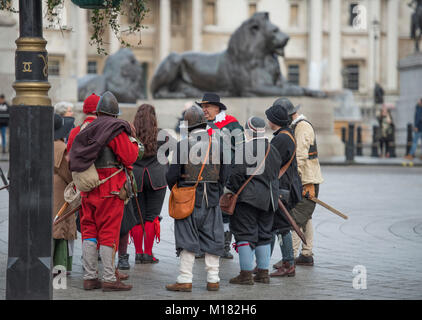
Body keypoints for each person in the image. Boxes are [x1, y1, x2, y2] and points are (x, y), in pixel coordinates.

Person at [69, 91, 140, 292]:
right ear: (115, 115)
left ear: (98, 112)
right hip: (110, 189)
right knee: (109, 232)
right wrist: (134, 142)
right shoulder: (115, 129)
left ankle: (90, 277)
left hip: (88, 188)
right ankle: (109, 278)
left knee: (89, 231)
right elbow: (129, 157)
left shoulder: (85, 128)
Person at [165, 105, 228, 292]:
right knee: (214, 238)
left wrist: (177, 190)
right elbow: (225, 174)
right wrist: (217, 191)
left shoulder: (182, 145)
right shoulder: (218, 144)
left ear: (188, 125)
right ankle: (213, 279)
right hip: (212, 200)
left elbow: (171, 175)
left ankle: (185, 279)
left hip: (187, 198)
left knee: (187, 239)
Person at [225, 117, 281, 285]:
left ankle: (245, 274)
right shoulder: (274, 149)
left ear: (248, 131)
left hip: (248, 200)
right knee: (264, 235)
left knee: (244, 234)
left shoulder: (244, 149)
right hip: (269, 200)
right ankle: (263, 274)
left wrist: (231, 191)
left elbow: (235, 175)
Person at [196, 92, 244, 259]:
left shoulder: (232, 125)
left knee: (224, 211)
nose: (204, 110)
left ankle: (224, 246)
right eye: (202, 107)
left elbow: (241, 152)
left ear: (217, 108)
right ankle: (202, 246)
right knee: (203, 210)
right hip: (204, 176)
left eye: (207, 106)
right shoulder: (201, 124)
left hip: (226, 175)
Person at [125, 104, 169, 266]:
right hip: (157, 178)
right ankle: (148, 253)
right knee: (152, 216)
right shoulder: (162, 134)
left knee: (138, 217)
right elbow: (167, 154)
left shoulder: (130, 133)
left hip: (135, 178)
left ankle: (138, 253)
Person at [265, 100, 302, 277]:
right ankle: (264, 263)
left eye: (269, 118)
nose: (267, 121)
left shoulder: (282, 138)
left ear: (275, 120)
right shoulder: (285, 134)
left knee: (282, 227)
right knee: (273, 226)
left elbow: (270, 163)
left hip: (281, 189)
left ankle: (288, 263)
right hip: (283, 187)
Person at [286, 100, 324, 266]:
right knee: (305, 217)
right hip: (308, 179)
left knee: (294, 218)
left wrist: (294, 178)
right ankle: (307, 254)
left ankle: (291, 257)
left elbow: (300, 156)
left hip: (306, 180)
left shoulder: (302, 127)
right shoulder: (299, 126)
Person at [52, 113, 76, 275]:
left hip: (45, 188)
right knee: (61, 228)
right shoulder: (62, 147)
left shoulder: (40, 143)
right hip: (60, 190)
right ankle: (60, 266)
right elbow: (68, 173)